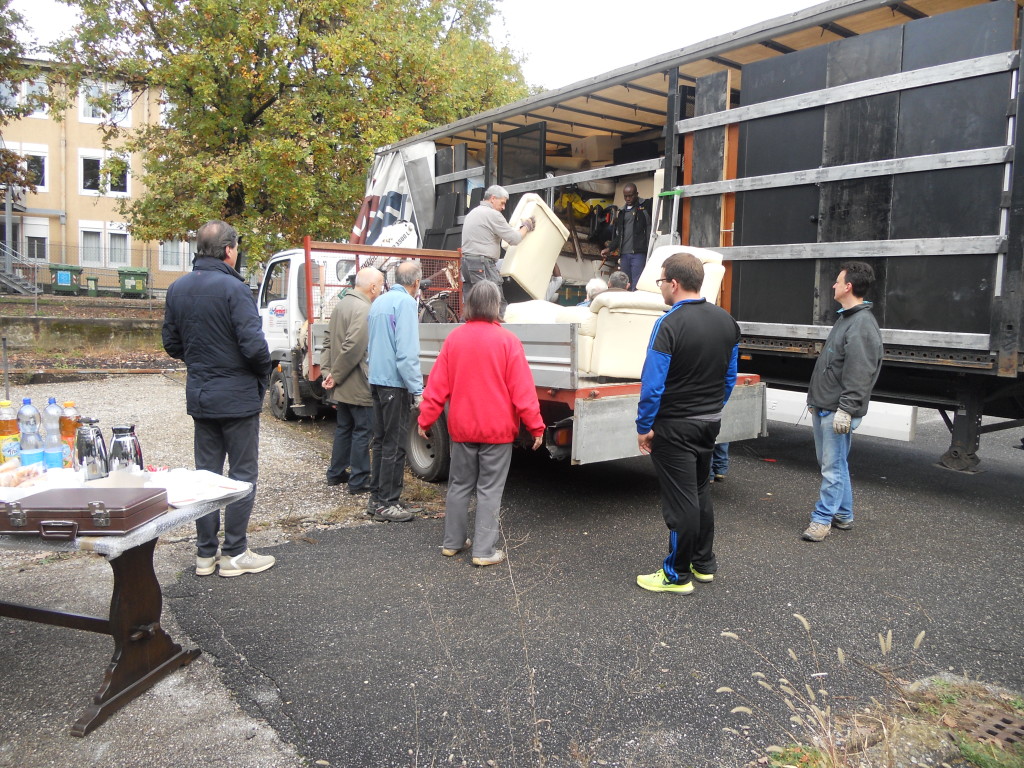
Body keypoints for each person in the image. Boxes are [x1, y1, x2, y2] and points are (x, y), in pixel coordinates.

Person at [162, 220, 276, 578]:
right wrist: (262, 374)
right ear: (229, 250)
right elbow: (254, 346)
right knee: (241, 475)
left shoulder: (177, 288)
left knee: (206, 476)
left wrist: (201, 359)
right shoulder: (234, 289)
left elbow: (172, 343)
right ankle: (235, 553)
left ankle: (205, 554)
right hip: (237, 396)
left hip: (202, 393)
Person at [417, 281, 544, 567]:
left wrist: (425, 418)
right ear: (497, 305)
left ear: (470, 305)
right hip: (497, 431)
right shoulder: (508, 341)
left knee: (459, 485)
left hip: (462, 429)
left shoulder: (454, 340)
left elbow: (436, 387)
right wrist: (536, 426)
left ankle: (453, 542)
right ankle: (484, 551)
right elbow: (522, 391)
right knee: (489, 489)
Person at [635, 252, 739, 594]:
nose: (661, 287)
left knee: (681, 502)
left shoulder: (668, 324)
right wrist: (712, 407)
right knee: (699, 492)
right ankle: (703, 563)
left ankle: (675, 575)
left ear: (674, 284)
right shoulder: (727, 322)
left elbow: (653, 384)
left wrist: (644, 426)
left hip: (675, 426)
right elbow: (729, 377)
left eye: (661, 281)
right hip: (709, 423)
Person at [802, 261, 883, 542]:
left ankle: (821, 520)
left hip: (836, 409)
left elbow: (860, 372)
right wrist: (816, 398)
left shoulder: (860, 324)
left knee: (832, 467)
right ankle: (844, 515)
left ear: (848, 286)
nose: (833, 285)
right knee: (836, 465)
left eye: (837, 281)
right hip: (826, 405)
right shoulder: (847, 318)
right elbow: (833, 365)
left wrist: (846, 410)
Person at [366, 259, 424, 523]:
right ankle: (388, 503)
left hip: (377, 379)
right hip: (394, 382)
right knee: (395, 443)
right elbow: (407, 352)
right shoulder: (406, 304)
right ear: (416, 283)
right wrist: (418, 389)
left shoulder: (379, 301)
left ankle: (377, 498)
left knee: (380, 441)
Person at [322, 267, 385, 494]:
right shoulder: (364, 308)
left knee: (344, 428)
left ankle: (336, 473)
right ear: (373, 287)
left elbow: (328, 341)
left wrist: (328, 372)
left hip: (342, 382)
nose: (381, 289)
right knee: (362, 431)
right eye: (381, 284)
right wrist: (335, 375)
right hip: (358, 381)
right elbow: (353, 348)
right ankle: (358, 480)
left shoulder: (341, 305)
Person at [460, 185, 535, 317]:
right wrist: (526, 226)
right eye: (502, 203)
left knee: (472, 303)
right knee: (496, 301)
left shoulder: (473, 213)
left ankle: (467, 332)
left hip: (466, 264)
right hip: (482, 264)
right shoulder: (493, 215)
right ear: (493, 199)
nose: (503, 208)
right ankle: (502, 332)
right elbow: (515, 238)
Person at [600, 183, 650, 291]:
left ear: (636, 194)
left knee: (637, 285)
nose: (628, 198)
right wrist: (609, 248)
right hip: (624, 255)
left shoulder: (644, 206)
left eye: (631, 195)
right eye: (625, 196)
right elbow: (619, 236)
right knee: (624, 285)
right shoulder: (622, 212)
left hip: (638, 253)